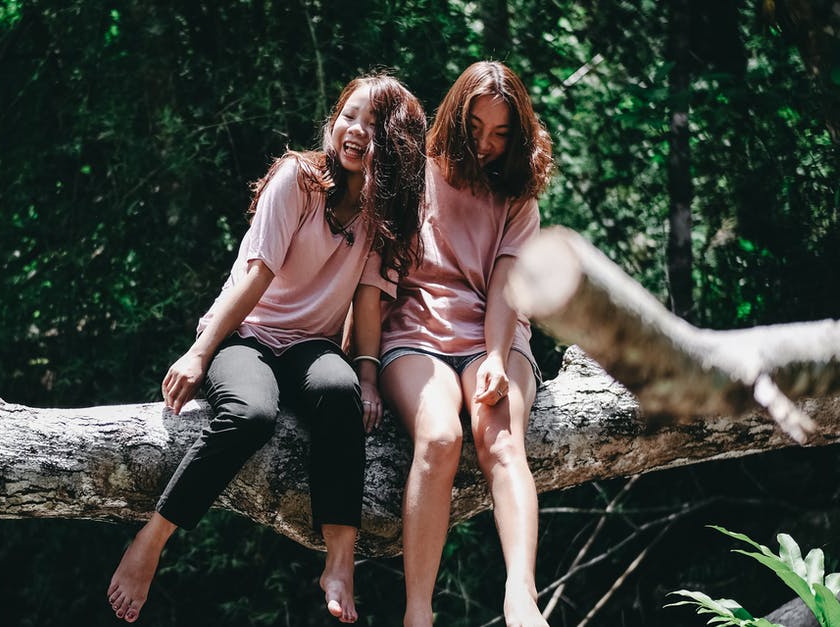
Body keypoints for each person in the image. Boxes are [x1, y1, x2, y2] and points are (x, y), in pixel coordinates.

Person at [107, 73, 427, 624]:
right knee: (251, 413)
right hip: (246, 336)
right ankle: (153, 539)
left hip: (311, 347)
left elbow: (369, 304)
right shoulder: (297, 181)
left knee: (340, 390)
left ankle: (339, 562)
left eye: (374, 127)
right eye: (349, 116)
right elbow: (254, 279)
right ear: (333, 120)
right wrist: (199, 353)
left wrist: (370, 378)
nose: (356, 132)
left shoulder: (381, 215)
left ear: (394, 143)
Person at [378, 61, 554, 627]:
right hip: (416, 334)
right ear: (454, 118)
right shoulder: (416, 171)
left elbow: (505, 285)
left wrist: (498, 361)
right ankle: (418, 612)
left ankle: (521, 594)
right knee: (439, 436)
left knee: (500, 441)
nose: (485, 144)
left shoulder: (518, 193)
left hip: (493, 332)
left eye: (501, 134)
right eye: (475, 128)